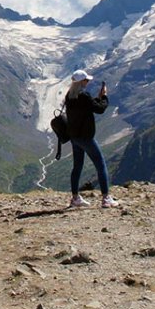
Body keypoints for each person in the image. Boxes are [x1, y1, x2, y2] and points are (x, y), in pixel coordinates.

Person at [64, 69, 118, 208]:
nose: (87, 82)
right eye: (86, 80)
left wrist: (98, 98)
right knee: (101, 165)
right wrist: (104, 96)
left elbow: (89, 105)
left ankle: (75, 198)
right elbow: (99, 109)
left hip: (74, 137)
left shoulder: (69, 96)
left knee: (77, 167)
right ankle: (106, 198)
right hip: (86, 137)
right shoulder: (84, 96)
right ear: (82, 82)